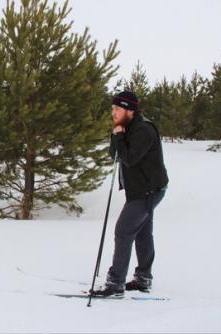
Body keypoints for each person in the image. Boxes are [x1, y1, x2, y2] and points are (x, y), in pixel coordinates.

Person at [90, 91, 169, 298]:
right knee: (142, 233)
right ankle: (143, 278)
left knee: (124, 231)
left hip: (148, 191)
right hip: (140, 190)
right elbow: (114, 154)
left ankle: (116, 283)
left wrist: (118, 135)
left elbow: (130, 158)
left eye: (117, 109)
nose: (113, 112)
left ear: (130, 110)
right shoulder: (128, 127)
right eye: (112, 109)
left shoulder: (143, 130)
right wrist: (117, 133)